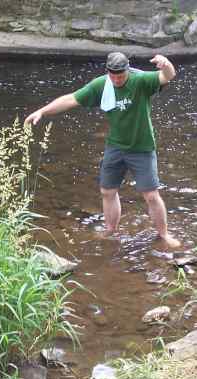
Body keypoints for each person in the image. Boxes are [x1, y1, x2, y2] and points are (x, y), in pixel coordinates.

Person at [24, 52, 181, 248]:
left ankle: (164, 234)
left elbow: (168, 76)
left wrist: (166, 64)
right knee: (107, 191)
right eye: (112, 75)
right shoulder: (102, 84)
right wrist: (42, 111)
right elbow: (71, 99)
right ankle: (110, 229)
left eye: (120, 76)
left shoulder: (141, 80)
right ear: (108, 71)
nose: (116, 80)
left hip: (142, 148)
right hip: (115, 147)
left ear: (127, 70)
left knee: (150, 195)